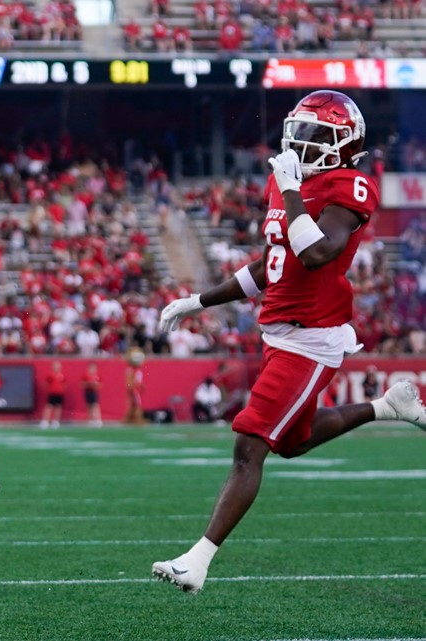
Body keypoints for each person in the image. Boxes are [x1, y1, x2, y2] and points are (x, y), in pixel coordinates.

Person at [151, 90, 426, 594]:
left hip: (313, 336)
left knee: (248, 446)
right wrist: (198, 301)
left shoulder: (349, 185)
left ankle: (199, 558)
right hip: (278, 330)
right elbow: (267, 268)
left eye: (318, 134)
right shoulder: (289, 186)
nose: (304, 142)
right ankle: (387, 406)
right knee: (294, 441)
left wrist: (293, 191)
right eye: (300, 131)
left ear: (345, 144)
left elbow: (319, 252)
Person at [40, 361, 65, 428]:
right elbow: (46, 383)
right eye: (55, 366)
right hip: (52, 393)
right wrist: (51, 389)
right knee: (49, 407)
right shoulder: (50, 375)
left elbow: (64, 384)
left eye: (58, 366)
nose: (57, 367)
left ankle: (56, 421)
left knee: (58, 407)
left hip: (59, 394)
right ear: (53, 367)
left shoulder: (62, 375)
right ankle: (45, 421)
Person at [82, 362, 102, 427]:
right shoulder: (86, 376)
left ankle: (98, 419)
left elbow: (100, 385)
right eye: (91, 368)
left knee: (95, 405)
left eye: (94, 368)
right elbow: (82, 384)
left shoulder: (97, 376)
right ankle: (90, 419)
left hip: (94, 392)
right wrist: (88, 383)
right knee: (89, 406)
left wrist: (95, 384)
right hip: (88, 392)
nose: (92, 369)